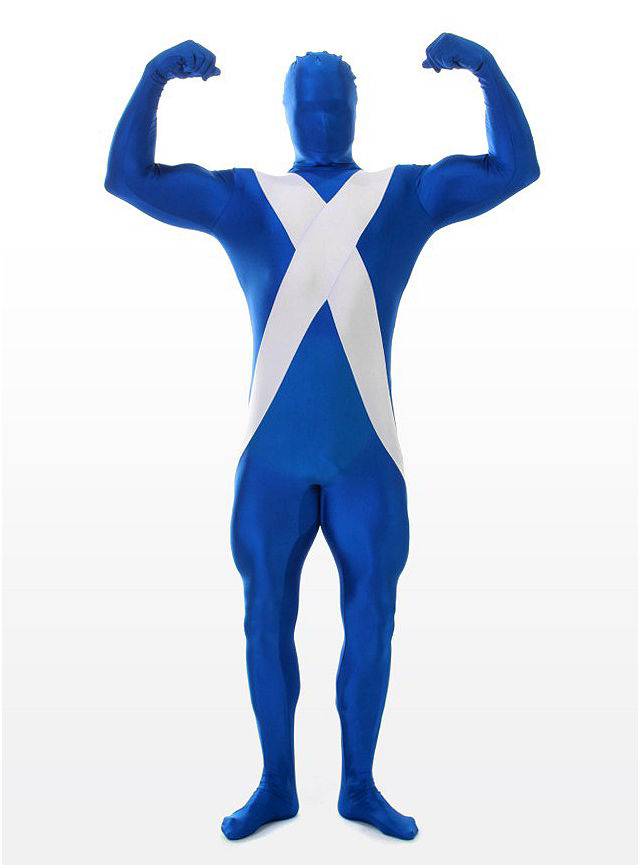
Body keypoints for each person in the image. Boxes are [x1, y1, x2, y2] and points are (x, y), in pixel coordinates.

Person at [105, 33, 539, 841]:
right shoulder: (247, 198)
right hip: (272, 459)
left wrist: (485, 67)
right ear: (286, 112)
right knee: (264, 616)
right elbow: (127, 178)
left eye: (334, 99)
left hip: (366, 458)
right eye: (308, 101)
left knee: (372, 615)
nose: (322, 112)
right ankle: (276, 783)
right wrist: (153, 75)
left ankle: (359, 786)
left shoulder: (401, 196)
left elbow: (516, 169)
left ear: (355, 108)